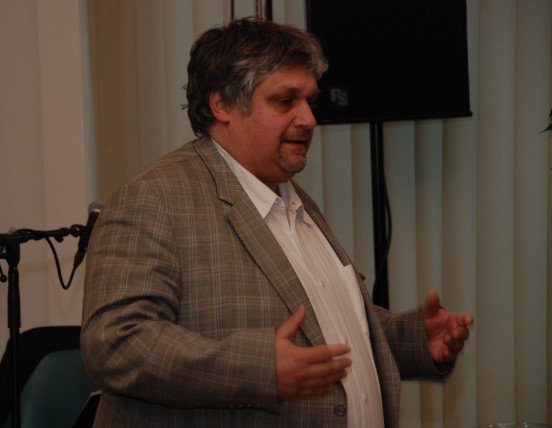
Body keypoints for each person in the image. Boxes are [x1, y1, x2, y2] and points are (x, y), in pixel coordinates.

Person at [80, 17, 473, 427]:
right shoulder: (156, 196)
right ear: (222, 105)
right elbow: (115, 342)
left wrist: (413, 341)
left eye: (310, 101)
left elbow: (325, 330)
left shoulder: (294, 200)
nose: (309, 119)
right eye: (286, 101)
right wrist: (259, 368)